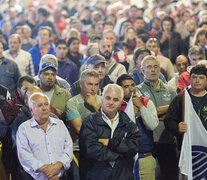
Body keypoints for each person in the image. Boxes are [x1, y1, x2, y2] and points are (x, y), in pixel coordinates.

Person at [79, 84, 141, 180]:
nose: (111, 102)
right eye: (108, 98)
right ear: (102, 99)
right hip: (97, 176)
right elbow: (90, 149)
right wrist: (119, 155)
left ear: (121, 103)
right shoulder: (90, 121)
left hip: (122, 175)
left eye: (115, 100)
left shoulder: (127, 121)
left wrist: (109, 142)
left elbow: (134, 146)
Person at [137, 55, 177, 180]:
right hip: (147, 141)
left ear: (159, 69)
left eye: (155, 67)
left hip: (167, 140)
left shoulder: (170, 90)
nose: (153, 70)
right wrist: (168, 107)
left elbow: (174, 114)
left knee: (170, 176)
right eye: (149, 67)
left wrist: (152, 112)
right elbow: (143, 114)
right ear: (142, 70)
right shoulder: (138, 91)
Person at [16, 92, 73, 179]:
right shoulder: (24, 129)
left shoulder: (60, 124)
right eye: (39, 105)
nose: (44, 108)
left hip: (60, 177)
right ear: (31, 110)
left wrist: (57, 166)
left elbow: (68, 148)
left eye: (46, 104)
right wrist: (48, 172)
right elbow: (24, 155)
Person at [117, 74, 159, 180]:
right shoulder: (115, 105)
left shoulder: (146, 102)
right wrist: (131, 115)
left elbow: (152, 125)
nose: (131, 89)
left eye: (132, 85)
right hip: (123, 159)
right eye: (126, 87)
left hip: (145, 157)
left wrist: (141, 107)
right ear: (119, 89)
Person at [66, 69, 102, 180]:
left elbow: (112, 126)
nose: (93, 88)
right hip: (79, 150)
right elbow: (80, 130)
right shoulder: (72, 103)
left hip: (100, 150)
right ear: (81, 85)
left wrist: (96, 106)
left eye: (96, 85)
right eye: (89, 84)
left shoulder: (104, 101)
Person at [164, 64, 207, 151]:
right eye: (194, 77)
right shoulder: (181, 98)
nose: (197, 80)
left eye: (201, 78)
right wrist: (177, 127)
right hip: (186, 146)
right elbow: (169, 120)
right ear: (189, 79)